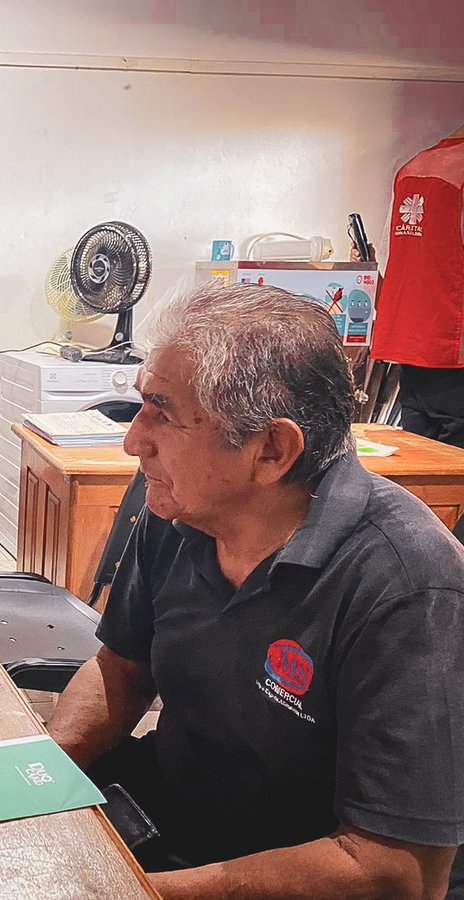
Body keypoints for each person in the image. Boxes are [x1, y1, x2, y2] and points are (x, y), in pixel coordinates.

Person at [47, 283, 464, 898]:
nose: (134, 440)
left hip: (293, 869)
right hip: (184, 815)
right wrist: (36, 774)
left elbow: (394, 871)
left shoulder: (408, 585)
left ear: (271, 450)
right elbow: (123, 668)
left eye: (163, 411)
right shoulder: (183, 515)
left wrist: (140, 891)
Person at [370, 124, 464, 448]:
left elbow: (386, 257)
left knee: (421, 457)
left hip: (410, 342)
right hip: (453, 346)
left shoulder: (411, 169)